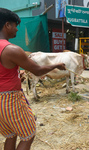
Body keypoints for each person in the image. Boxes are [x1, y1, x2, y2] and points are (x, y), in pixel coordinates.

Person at [0, 8, 66, 150]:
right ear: (7, 25)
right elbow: (37, 70)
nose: (17, 30)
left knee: (10, 134)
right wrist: (57, 65)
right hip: (10, 100)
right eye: (15, 25)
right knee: (28, 135)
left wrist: (17, 76)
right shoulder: (11, 49)